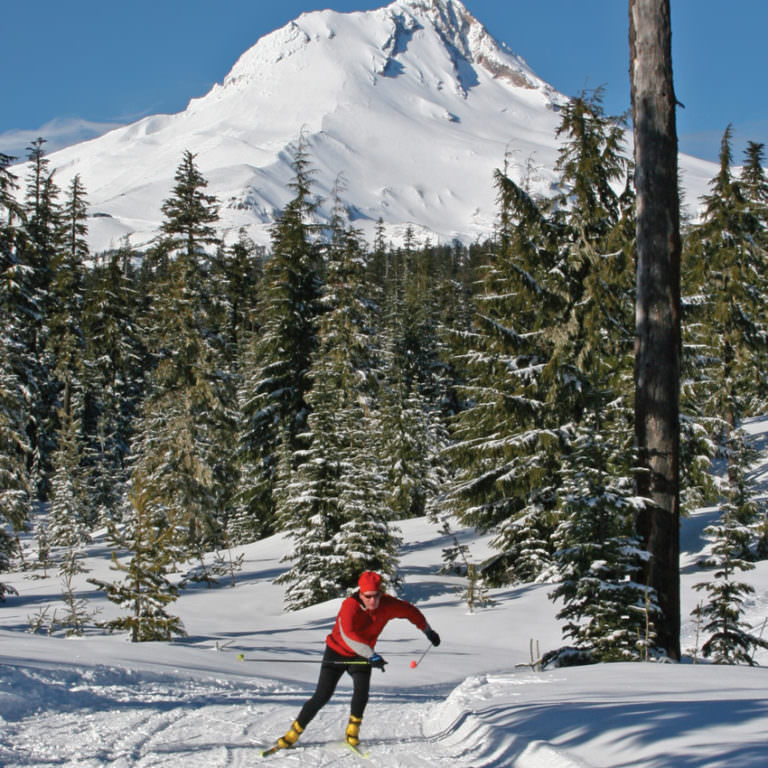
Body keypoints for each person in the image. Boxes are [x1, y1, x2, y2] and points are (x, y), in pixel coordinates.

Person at [270, 570, 440, 752]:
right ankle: (293, 734)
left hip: (362, 655)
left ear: (381, 593)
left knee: (362, 692)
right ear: (360, 593)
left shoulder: (388, 604)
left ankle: (352, 731)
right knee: (322, 695)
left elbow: (411, 612)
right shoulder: (350, 606)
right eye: (368, 596)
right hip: (337, 652)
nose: (372, 601)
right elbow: (349, 635)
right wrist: (371, 655)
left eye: (376, 596)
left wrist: (428, 631)